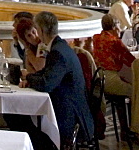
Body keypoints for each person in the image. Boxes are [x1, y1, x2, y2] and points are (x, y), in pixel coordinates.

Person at [8, 10, 94, 150]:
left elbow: (46, 84)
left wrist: (28, 77)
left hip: (71, 116)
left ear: (41, 30)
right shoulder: (59, 46)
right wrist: (30, 79)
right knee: (17, 115)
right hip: (68, 106)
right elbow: (45, 74)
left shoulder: (57, 52)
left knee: (15, 116)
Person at [92, 13, 134, 135]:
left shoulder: (96, 38)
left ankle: (125, 130)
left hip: (98, 80)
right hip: (110, 79)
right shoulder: (115, 41)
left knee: (120, 96)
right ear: (115, 27)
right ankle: (135, 128)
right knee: (136, 91)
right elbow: (131, 60)